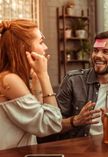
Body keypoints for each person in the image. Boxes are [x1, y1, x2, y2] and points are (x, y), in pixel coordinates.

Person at [0, 19, 62, 150]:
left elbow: (37, 119)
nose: (45, 47)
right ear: (24, 48)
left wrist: (36, 82)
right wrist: (44, 76)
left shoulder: (11, 77)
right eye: (41, 42)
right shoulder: (9, 80)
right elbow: (51, 124)